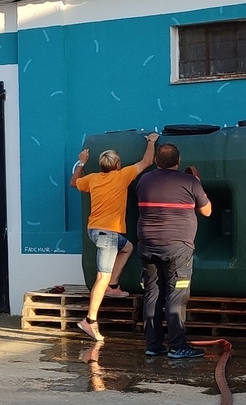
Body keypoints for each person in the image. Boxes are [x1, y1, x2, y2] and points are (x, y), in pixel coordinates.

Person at [70, 132, 159, 341]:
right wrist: (152, 141)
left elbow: (74, 182)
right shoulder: (123, 176)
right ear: (118, 165)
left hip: (95, 231)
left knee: (127, 247)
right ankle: (90, 321)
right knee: (101, 277)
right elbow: (147, 161)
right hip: (107, 234)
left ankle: (113, 286)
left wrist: (81, 162)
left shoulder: (92, 179)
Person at [136, 142, 211, 359]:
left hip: (147, 245)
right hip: (178, 248)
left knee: (152, 293)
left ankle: (153, 345)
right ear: (178, 161)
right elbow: (207, 211)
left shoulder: (144, 179)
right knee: (176, 295)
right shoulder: (189, 181)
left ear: (157, 161)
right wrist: (197, 183)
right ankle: (178, 346)